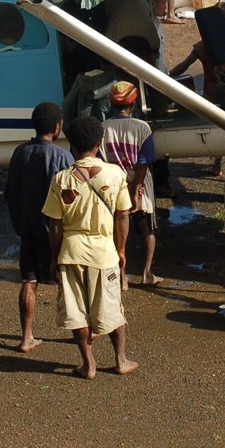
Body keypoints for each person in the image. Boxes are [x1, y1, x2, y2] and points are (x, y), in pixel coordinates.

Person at [42, 114, 138, 379]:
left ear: (71, 144)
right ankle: (120, 360)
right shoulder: (115, 174)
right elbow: (122, 215)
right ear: (99, 142)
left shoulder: (61, 179)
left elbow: (55, 224)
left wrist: (54, 258)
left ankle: (89, 364)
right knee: (112, 309)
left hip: (71, 252)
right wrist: (121, 251)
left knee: (77, 312)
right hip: (104, 253)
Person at [5, 102, 73, 353]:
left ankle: (26, 337)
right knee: (69, 283)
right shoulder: (63, 156)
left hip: (27, 229)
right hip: (54, 231)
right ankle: (83, 335)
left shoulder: (19, 152)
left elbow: (9, 191)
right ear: (58, 127)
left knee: (29, 280)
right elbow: (71, 198)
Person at [101, 82, 162, 288]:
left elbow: (101, 159)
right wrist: (136, 188)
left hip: (112, 185)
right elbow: (144, 161)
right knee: (148, 229)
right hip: (140, 183)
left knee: (117, 232)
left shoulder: (103, 128)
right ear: (134, 103)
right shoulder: (142, 127)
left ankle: (122, 276)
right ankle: (147, 273)